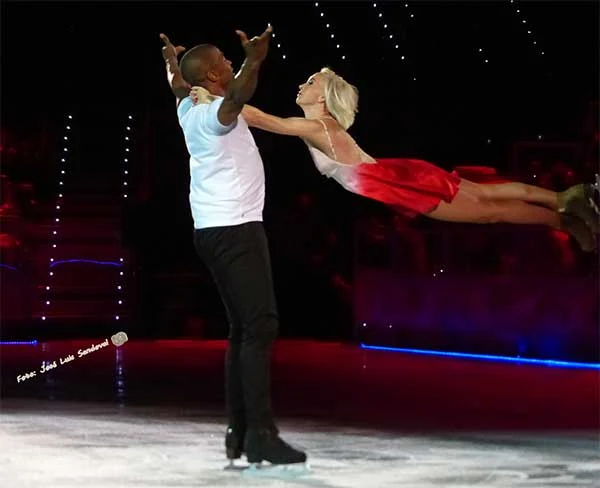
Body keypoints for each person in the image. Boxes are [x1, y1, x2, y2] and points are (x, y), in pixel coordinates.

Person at [188, 68, 599, 252]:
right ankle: (566, 202)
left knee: (489, 211)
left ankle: (565, 208)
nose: (301, 84)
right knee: (488, 203)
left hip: (401, 181)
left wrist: (215, 99)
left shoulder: (317, 125)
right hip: (400, 176)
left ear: (323, 96)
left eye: (310, 82)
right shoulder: (321, 125)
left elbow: (265, 120)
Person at [160, 30, 306, 467]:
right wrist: (255, 60)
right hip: (234, 230)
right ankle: (259, 434)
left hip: (218, 229)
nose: (229, 61)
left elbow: (177, 84)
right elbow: (236, 98)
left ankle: (240, 433)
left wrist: (170, 61)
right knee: (260, 327)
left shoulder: (188, 105)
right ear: (213, 74)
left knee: (244, 330)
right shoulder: (209, 116)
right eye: (224, 59)